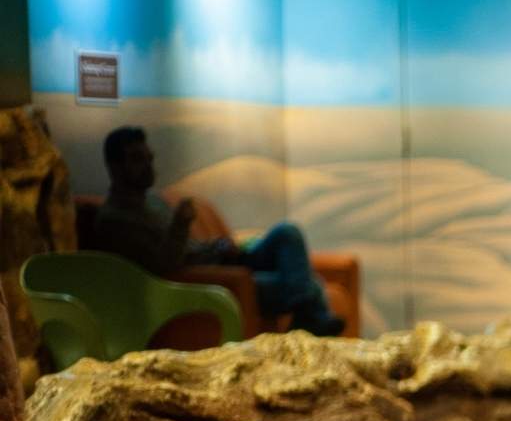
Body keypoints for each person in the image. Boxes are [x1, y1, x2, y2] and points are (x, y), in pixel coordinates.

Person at [90, 127, 344, 336]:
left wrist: (218, 246)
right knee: (310, 285)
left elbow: (191, 247)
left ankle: (307, 318)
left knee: (288, 233)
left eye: (149, 158)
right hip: (213, 280)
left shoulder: (155, 201)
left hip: (221, 258)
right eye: (137, 159)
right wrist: (180, 224)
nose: (147, 166)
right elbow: (164, 266)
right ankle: (308, 319)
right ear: (114, 166)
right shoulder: (115, 220)